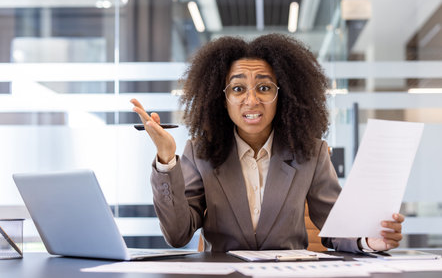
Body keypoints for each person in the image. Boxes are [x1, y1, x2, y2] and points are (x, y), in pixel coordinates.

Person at [131, 33, 404, 253]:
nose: (251, 101)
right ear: (221, 98)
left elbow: (336, 229)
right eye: (238, 89)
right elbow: (178, 235)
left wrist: (369, 241)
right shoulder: (199, 152)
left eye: (264, 88)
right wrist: (166, 159)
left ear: (283, 95)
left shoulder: (311, 153)